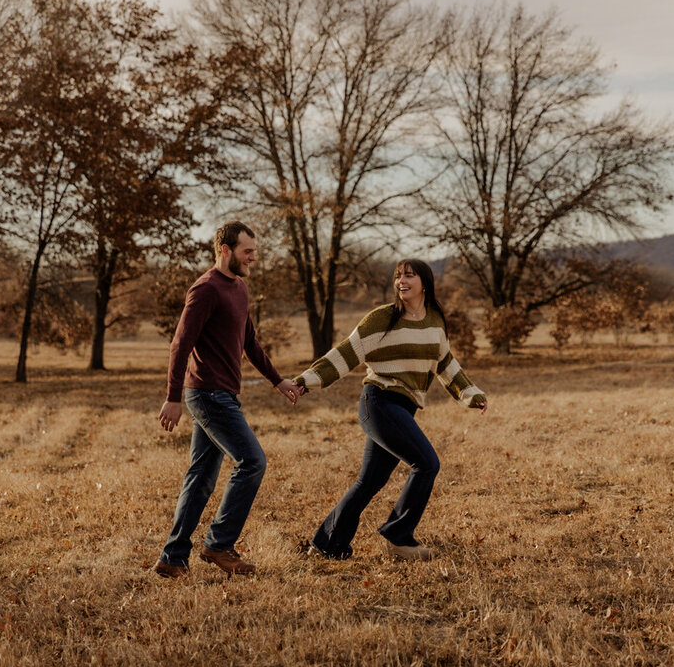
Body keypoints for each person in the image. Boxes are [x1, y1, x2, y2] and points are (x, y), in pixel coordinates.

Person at [294, 259, 487, 562]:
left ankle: (326, 545)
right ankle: (399, 537)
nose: (402, 281)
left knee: (369, 481)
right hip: (379, 402)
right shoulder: (382, 319)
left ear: (425, 282)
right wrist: (307, 380)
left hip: (404, 408)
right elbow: (346, 352)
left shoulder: (435, 319)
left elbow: (445, 363)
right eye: (398, 276)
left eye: (409, 276)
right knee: (426, 463)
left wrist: (470, 393)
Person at [155, 221, 300, 578]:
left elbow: (249, 342)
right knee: (252, 461)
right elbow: (180, 344)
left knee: (200, 477)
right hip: (207, 394)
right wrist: (173, 397)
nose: (253, 257)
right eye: (247, 251)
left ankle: (172, 558)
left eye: (254, 250)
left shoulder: (239, 289)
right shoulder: (205, 290)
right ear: (225, 250)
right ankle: (218, 544)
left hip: (224, 394)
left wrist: (277, 379)